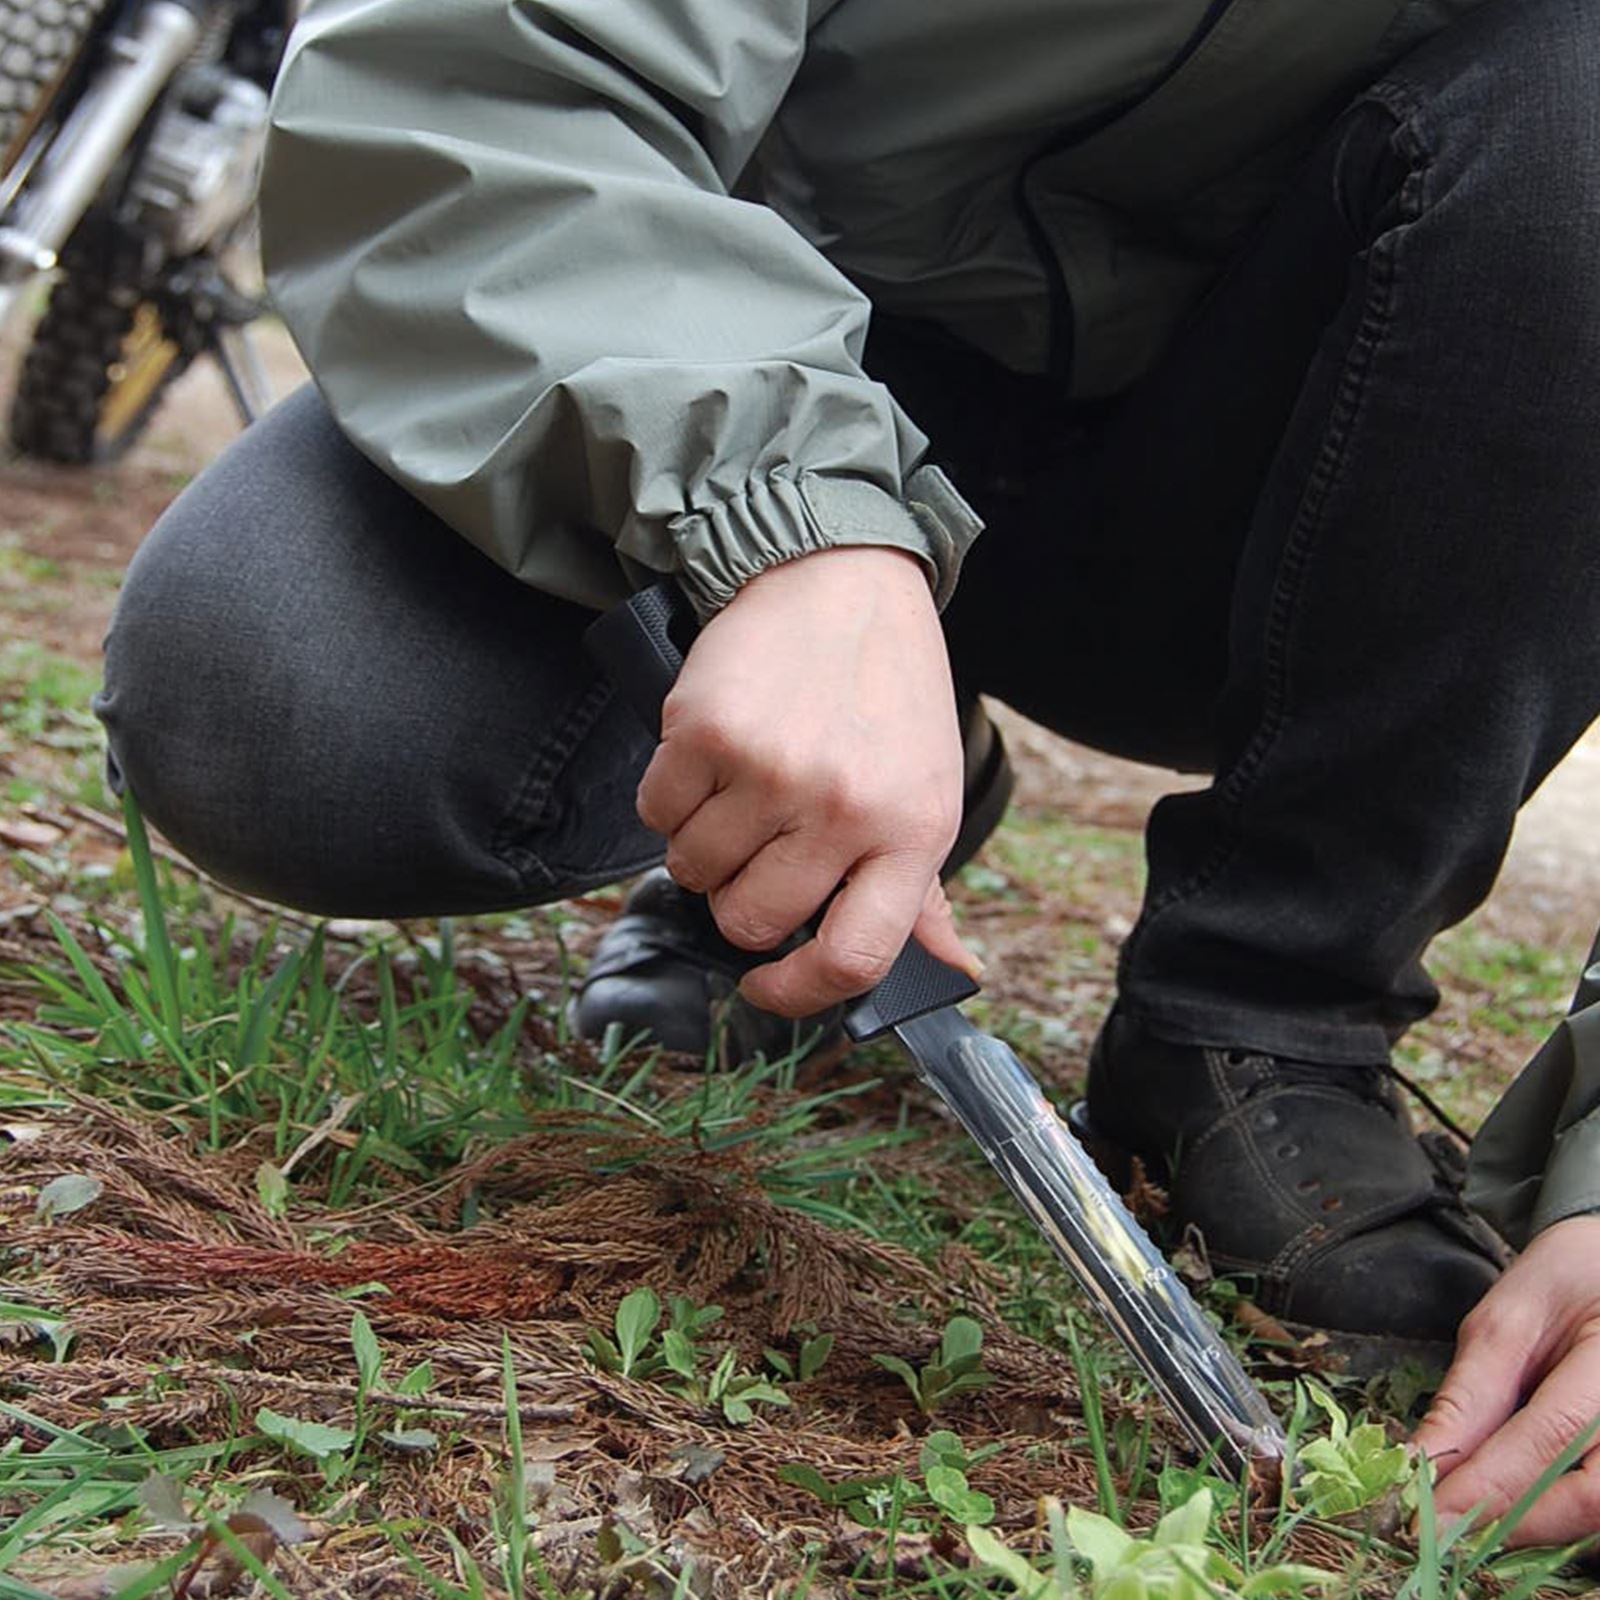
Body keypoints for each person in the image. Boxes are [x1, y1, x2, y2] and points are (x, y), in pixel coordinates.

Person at [93, 0, 1600, 1543]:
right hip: (734, 345)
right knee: (280, 689)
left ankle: (1268, 1012)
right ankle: (841, 767)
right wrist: (778, 515)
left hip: (1319, 463)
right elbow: (478, 61)